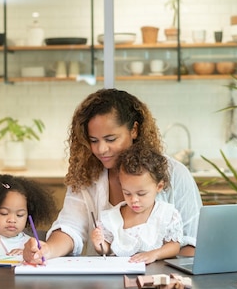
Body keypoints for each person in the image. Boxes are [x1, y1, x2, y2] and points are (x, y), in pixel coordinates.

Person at [23, 88, 202, 264]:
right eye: (94, 141)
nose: (101, 149)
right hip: (102, 285)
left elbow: (191, 244)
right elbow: (71, 228)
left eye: (110, 139)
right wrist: (48, 250)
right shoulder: (86, 174)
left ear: (134, 130)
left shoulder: (175, 174)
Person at [91, 143, 183, 264]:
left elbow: (174, 246)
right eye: (127, 193)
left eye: (141, 194)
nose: (134, 200)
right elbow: (107, 250)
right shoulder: (111, 218)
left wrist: (155, 254)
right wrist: (100, 244)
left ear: (159, 186)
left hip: (154, 276)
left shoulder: (166, 215)